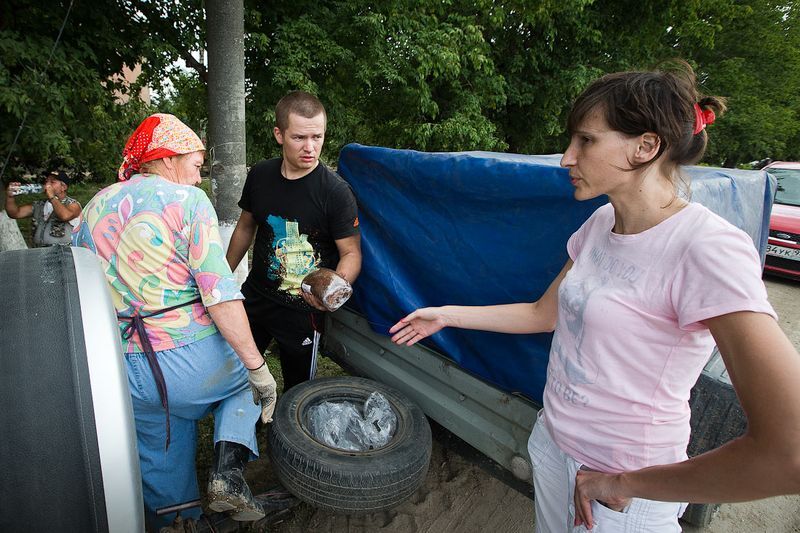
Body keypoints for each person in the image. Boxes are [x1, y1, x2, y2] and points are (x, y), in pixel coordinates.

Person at [389, 62, 800, 532]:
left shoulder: (707, 248)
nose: (567, 158)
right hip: (554, 445)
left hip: (623, 490)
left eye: (586, 140)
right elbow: (542, 313)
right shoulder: (601, 223)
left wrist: (622, 483)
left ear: (646, 147)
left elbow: (788, 451)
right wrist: (446, 315)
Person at [73, 113, 278, 530]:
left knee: (160, 441)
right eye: (196, 165)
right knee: (245, 382)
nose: (198, 177)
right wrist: (258, 367)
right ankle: (227, 475)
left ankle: (177, 521)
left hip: (122, 364)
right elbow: (218, 293)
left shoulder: (95, 205)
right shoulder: (188, 201)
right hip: (187, 359)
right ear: (167, 159)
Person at [226, 91, 361, 392]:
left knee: (298, 390)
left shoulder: (336, 192)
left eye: (317, 137)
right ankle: (243, 417)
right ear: (279, 134)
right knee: (235, 370)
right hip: (256, 296)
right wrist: (221, 279)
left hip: (303, 311)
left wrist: (332, 289)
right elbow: (246, 227)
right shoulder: (260, 175)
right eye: (299, 137)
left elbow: (351, 253)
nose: (310, 148)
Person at [5, 170, 81, 246]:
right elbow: (15, 213)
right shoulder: (39, 205)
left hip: (62, 252)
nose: (47, 185)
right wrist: (10, 197)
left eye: (52, 182)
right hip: (39, 251)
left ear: (63, 187)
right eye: (46, 181)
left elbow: (65, 216)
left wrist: (52, 196)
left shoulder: (73, 204)